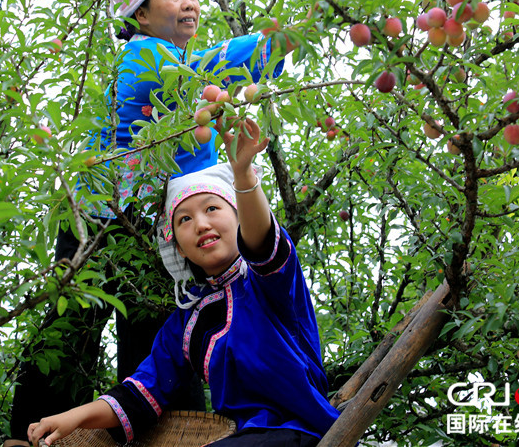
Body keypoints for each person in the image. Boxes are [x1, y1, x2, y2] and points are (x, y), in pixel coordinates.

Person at [4, 0, 287, 446]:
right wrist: (271, 45)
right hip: (101, 214)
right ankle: (26, 432)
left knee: (156, 317)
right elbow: (199, 71)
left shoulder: (187, 85)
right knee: (76, 317)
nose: (189, 2)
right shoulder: (143, 57)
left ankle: (166, 429)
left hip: (153, 220)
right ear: (140, 16)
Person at [26, 115, 340, 447]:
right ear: (178, 248)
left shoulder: (270, 284)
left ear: (239, 218)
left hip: (300, 430)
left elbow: (264, 246)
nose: (201, 224)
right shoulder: (186, 323)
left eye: (213, 208)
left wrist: (243, 174)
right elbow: (141, 391)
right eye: (185, 219)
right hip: (241, 436)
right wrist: (72, 417)